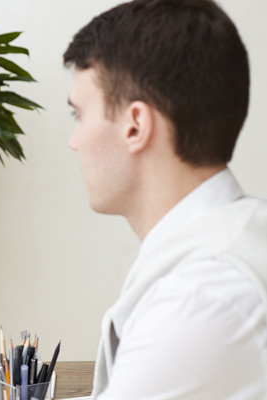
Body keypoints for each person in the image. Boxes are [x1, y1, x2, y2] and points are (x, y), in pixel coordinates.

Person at [64, 0, 267, 398]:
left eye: (79, 115)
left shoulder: (202, 297)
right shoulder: (234, 242)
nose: (74, 141)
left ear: (135, 125)